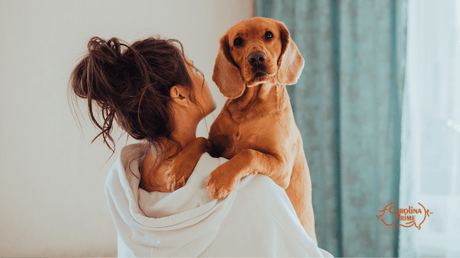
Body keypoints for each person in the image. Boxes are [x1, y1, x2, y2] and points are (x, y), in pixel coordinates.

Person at [70, 36, 333, 257]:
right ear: (180, 94)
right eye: (194, 69)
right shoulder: (249, 189)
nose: (204, 75)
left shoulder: (123, 194)